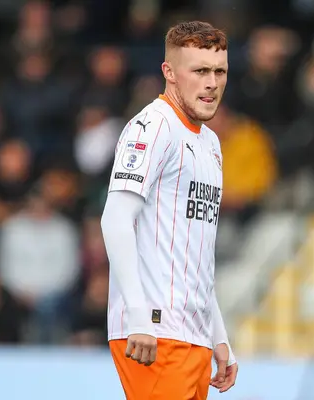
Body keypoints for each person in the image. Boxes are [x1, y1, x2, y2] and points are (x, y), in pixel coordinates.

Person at [100, 21, 238, 400]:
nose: (212, 83)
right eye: (200, 71)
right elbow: (114, 219)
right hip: (154, 334)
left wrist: (218, 335)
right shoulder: (151, 128)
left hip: (193, 334)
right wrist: (139, 316)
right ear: (170, 73)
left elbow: (194, 250)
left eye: (219, 71)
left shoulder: (210, 143)